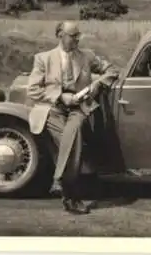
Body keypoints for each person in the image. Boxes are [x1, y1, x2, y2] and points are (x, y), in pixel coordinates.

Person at [26, 20, 119, 214]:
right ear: (60, 35)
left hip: (79, 109)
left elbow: (112, 70)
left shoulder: (87, 56)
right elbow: (33, 90)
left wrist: (98, 84)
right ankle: (69, 193)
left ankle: (64, 187)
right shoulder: (43, 58)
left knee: (74, 130)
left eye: (78, 35)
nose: (77, 39)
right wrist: (60, 96)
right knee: (71, 138)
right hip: (53, 110)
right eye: (73, 35)